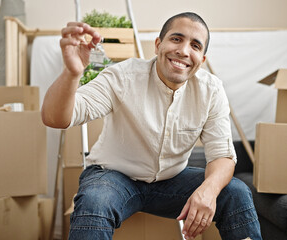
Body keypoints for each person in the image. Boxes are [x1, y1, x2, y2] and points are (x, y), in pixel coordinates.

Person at [41, 12, 262, 240]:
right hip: (113, 177)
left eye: (195, 46)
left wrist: (208, 191)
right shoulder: (123, 76)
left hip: (171, 182)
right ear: (158, 44)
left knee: (236, 192)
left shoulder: (211, 90)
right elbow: (55, 118)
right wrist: (72, 73)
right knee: (95, 200)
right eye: (176, 39)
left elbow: (223, 156)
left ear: (201, 59)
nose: (184, 51)